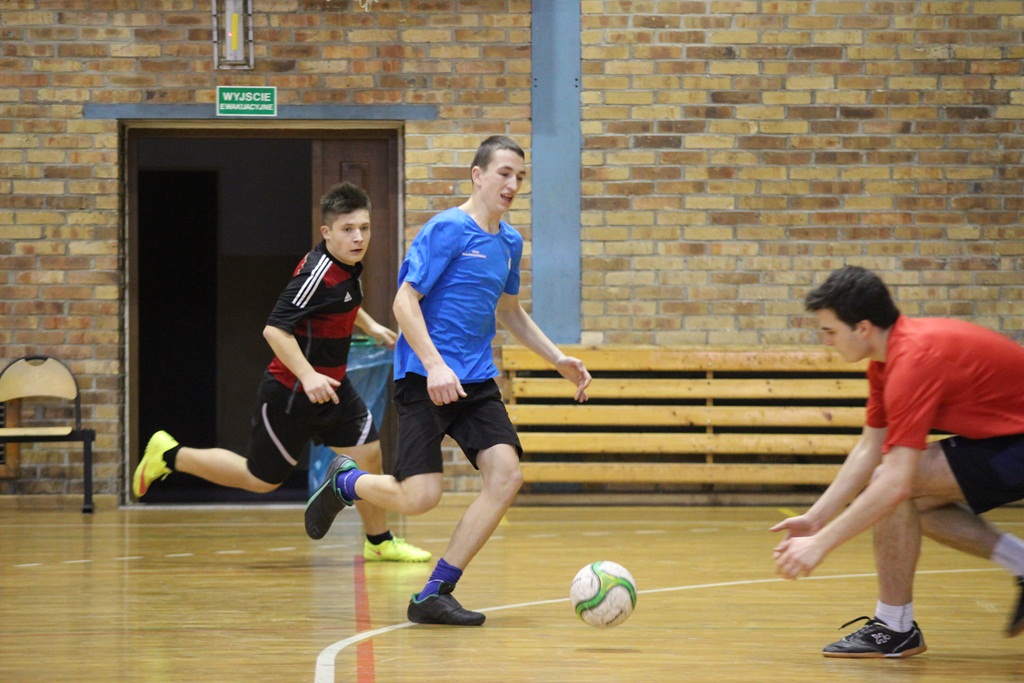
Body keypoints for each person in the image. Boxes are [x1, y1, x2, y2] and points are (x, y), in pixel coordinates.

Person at [304, 135, 592, 626]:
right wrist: (435, 364)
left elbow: (509, 310)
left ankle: (434, 593)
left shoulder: (509, 242)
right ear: (478, 176)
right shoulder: (447, 230)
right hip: (424, 377)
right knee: (421, 498)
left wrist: (558, 358)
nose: (512, 184)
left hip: (475, 382)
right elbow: (403, 302)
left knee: (506, 477)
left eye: (519, 176)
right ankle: (347, 482)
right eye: (503, 173)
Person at [133, 182, 431, 564]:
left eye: (364, 228)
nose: (358, 237)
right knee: (261, 479)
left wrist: (370, 326)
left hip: (334, 387)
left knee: (370, 456)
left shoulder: (347, 266)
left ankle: (379, 541)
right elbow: (274, 329)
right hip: (291, 392)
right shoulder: (316, 272)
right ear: (327, 232)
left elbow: (340, 304)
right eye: (347, 229)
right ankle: (169, 454)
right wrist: (308, 376)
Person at [772, 264, 1024, 658]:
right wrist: (815, 518)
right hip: (1008, 440)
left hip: (1016, 443)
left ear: (864, 328)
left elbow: (894, 482)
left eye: (830, 331)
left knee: (895, 490)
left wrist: (822, 544)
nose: (825, 341)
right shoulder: (885, 362)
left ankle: (894, 627)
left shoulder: (913, 361)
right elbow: (869, 448)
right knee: (909, 504)